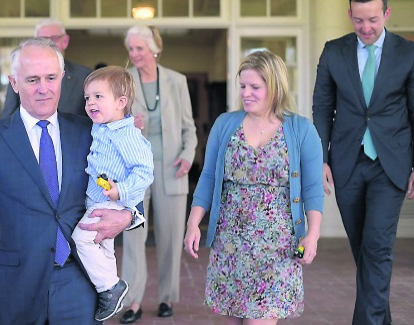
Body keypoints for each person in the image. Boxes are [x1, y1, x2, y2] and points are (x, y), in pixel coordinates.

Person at [0, 38, 143, 325]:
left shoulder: (92, 132)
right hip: (15, 287)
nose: (44, 88)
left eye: (51, 78)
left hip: (79, 284)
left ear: (62, 77)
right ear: (14, 82)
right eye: (32, 79)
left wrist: (129, 215)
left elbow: (128, 175)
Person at [184, 50, 324, 325]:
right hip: (231, 244)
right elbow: (209, 177)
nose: (246, 93)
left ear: (275, 87)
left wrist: (313, 235)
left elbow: (312, 188)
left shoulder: (301, 129)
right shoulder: (225, 124)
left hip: (279, 246)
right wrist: (192, 224)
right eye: (243, 86)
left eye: (255, 87)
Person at [312, 1, 414, 324]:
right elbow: (322, 107)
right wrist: (321, 158)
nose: (366, 28)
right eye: (359, 20)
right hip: (347, 164)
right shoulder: (333, 52)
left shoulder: (408, 53)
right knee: (364, 252)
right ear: (349, 16)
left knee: (377, 249)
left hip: (391, 165)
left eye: (372, 20)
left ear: (387, 14)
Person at [119, 25, 198, 323]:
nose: (135, 54)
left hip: (172, 171)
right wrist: (130, 125)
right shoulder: (125, 84)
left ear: (154, 48)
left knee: (169, 238)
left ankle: (167, 298)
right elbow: (112, 127)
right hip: (135, 173)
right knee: (133, 239)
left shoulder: (176, 81)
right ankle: (133, 302)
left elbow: (189, 129)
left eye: (140, 48)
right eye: (131, 49)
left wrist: (188, 157)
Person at [71, 66, 154, 321]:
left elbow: (145, 171)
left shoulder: (127, 135)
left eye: (98, 96)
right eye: (87, 98)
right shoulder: (102, 127)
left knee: (82, 238)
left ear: (121, 102)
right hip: (97, 199)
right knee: (104, 247)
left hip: (112, 202)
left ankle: (110, 287)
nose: (90, 103)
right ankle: (107, 292)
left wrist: (121, 190)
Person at [0, 18, 92, 119]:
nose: (49, 44)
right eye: (42, 39)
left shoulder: (85, 76)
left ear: (65, 41)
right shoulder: (21, 74)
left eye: (54, 39)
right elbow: (8, 117)